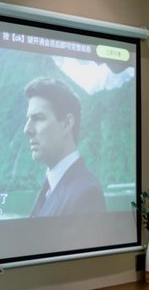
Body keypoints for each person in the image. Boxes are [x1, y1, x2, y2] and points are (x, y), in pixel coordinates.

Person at [23, 77, 106, 217]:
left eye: (38, 118)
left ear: (67, 124)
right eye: (28, 119)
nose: (27, 129)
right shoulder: (51, 187)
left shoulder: (87, 194)